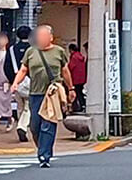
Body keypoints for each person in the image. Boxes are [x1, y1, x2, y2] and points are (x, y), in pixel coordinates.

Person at [11, 25, 75, 168]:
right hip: (35, 94)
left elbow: (65, 71)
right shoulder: (31, 52)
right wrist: (15, 83)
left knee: (48, 125)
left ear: (51, 37)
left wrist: (71, 88)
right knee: (35, 126)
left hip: (52, 94)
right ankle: (42, 148)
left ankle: (44, 156)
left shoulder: (58, 52)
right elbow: (23, 70)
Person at [10, 26, 32, 142]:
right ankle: (22, 127)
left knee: (20, 107)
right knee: (28, 107)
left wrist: (12, 81)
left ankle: (20, 124)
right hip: (30, 81)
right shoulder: (33, 48)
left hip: (16, 82)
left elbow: (6, 67)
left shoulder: (12, 49)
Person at [67, 43, 87, 112]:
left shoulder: (74, 57)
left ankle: (79, 106)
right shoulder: (80, 56)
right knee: (79, 92)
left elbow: (70, 67)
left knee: (76, 93)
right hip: (82, 79)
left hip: (75, 79)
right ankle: (83, 105)